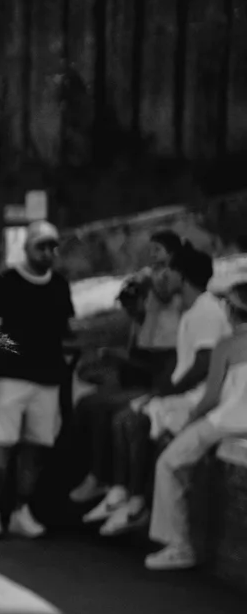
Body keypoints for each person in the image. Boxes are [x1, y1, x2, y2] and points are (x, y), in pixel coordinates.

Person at [88, 244, 229, 539]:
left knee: (132, 421)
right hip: (180, 395)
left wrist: (166, 391)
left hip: (196, 398)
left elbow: (204, 364)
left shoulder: (206, 311)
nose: (164, 275)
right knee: (124, 418)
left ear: (182, 275)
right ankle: (121, 493)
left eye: (170, 270)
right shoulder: (193, 309)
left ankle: (136, 503)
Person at [68, 231, 185, 503]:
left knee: (110, 412)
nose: (152, 257)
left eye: (158, 250)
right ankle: (97, 477)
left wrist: (118, 357)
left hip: (157, 381)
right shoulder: (142, 316)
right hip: (143, 377)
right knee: (88, 404)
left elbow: (157, 367)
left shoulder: (170, 299)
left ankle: (112, 483)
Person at [0, 221, 74, 538]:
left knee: (35, 449)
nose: (47, 252)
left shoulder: (60, 285)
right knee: (1, 447)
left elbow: (67, 334)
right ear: (27, 247)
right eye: (41, 246)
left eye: (52, 246)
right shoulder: (4, 283)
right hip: (9, 379)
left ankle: (21, 511)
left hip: (48, 380)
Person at [145, 283, 247, 570]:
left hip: (227, 421)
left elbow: (211, 398)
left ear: (231, 310)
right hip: (233, 423)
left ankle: (179, 546)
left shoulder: (227, 344)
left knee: (167, 464)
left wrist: (190, 421)